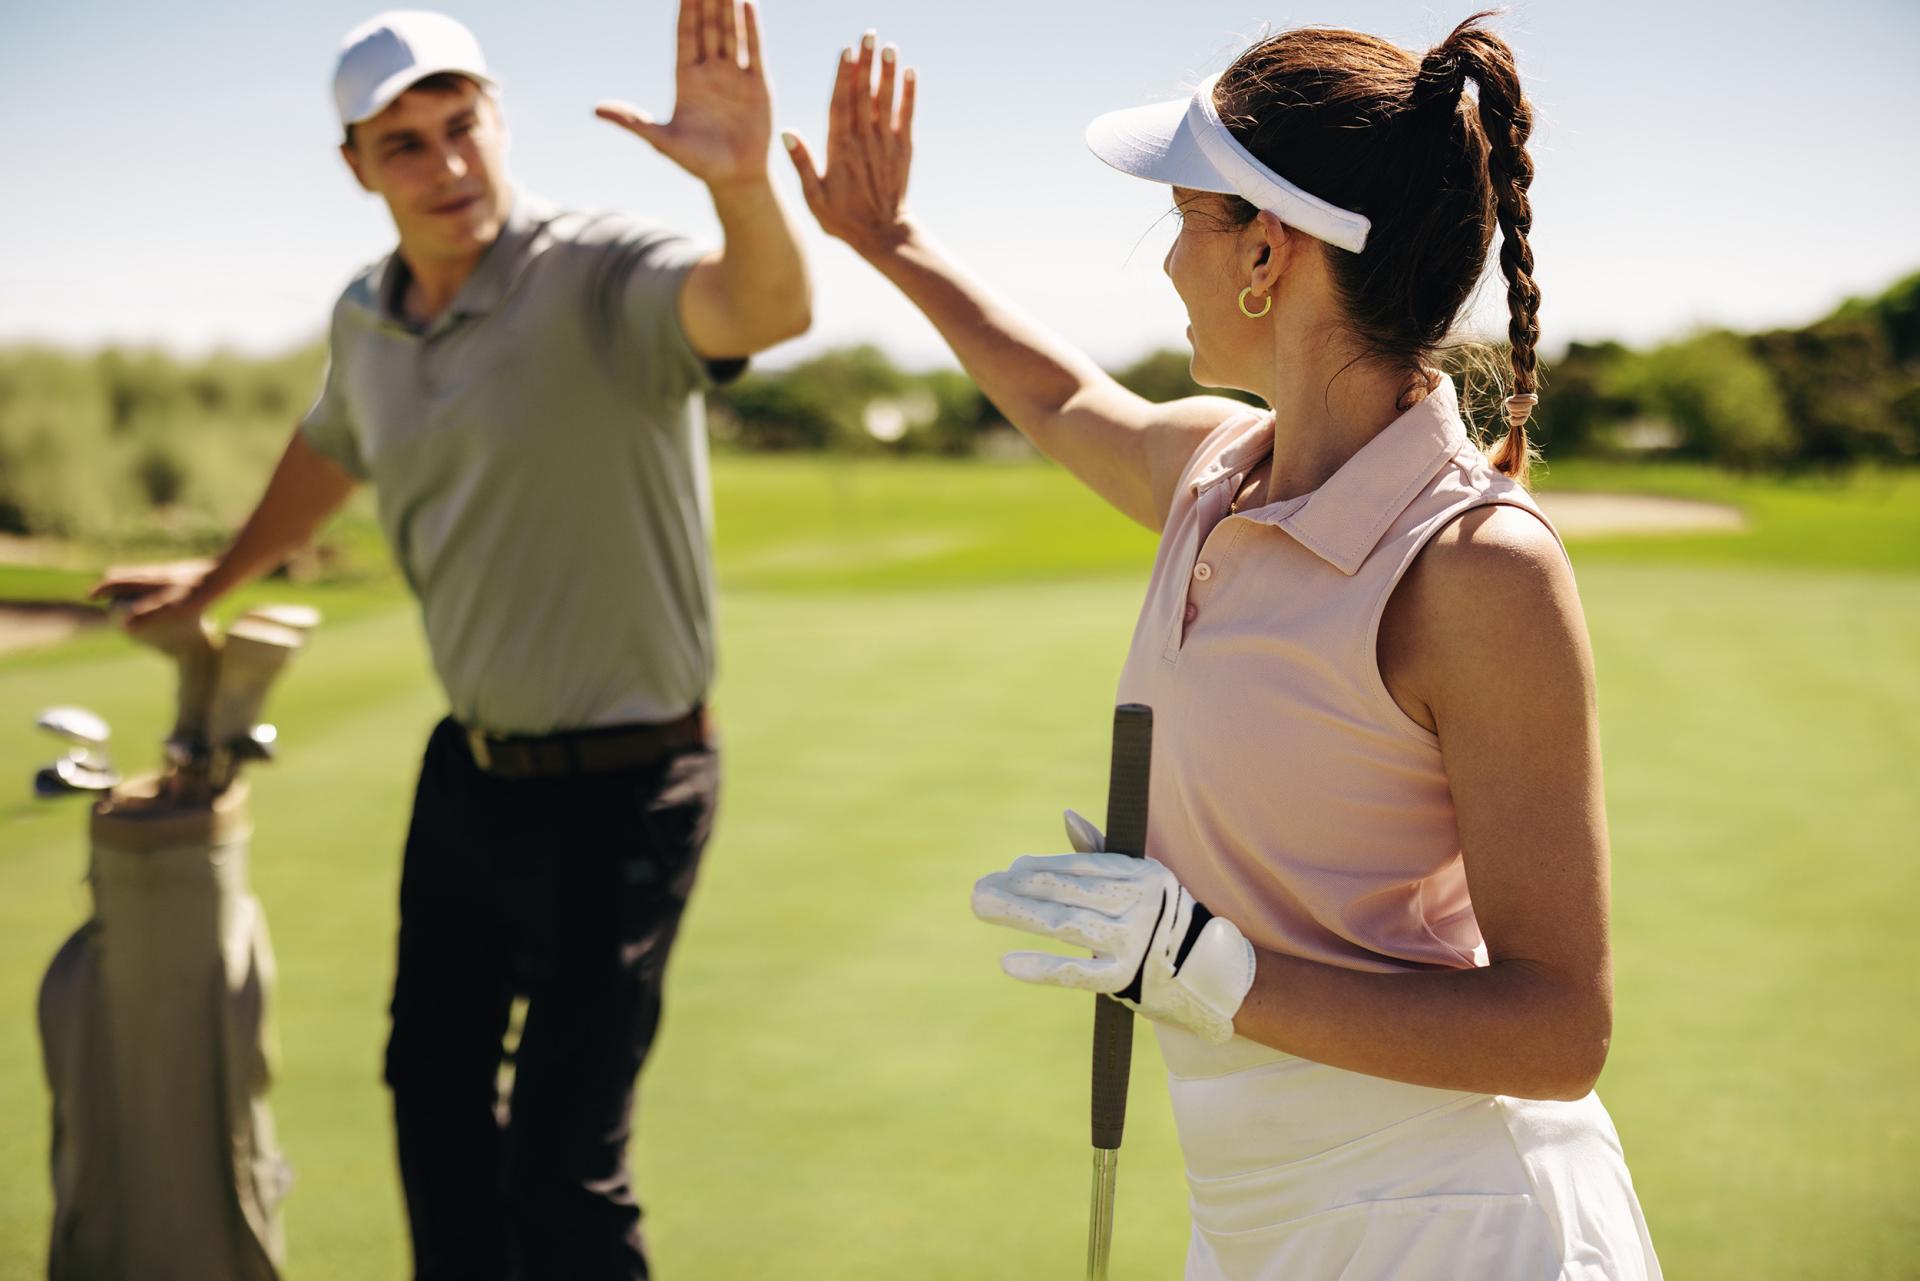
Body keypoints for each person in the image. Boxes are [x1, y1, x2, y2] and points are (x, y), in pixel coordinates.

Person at [783, 14, 1661, 1279]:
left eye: (1187, 220)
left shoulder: (1476, 566)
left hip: (1454, 1221)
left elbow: (1556, 1030)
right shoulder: (1214, 470)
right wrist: (891, 243)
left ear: (1265, 249)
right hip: (1253, 1218)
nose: (1167, 268)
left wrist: (1199, 965)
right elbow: (1057, 397)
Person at [91, 4, 808, 1277]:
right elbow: (331, 449)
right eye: (405, 143)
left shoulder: (600, 271)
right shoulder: (367, 317)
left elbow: (764, 306)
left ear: (496, 119)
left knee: (562, 1171)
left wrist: (744, 190)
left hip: (630, 786)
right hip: (470, 774)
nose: (447, 164)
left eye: (460, 125)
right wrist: (216, 576)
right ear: (359, 168)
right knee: (430, 1104)